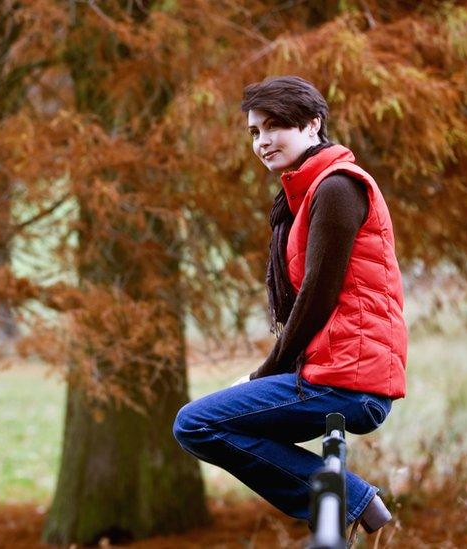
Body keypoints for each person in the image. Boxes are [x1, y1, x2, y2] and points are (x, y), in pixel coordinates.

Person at [172, 76, 408, 543]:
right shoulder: (304, 195)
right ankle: (351, 499)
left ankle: (354, 499)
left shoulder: (338, 188)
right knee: (207, 422)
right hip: (335, 373)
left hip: (350, 384)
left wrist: (267, 372)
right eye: (254, 132)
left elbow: (317, 297)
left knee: (195, 423)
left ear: (313, 123)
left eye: (273, 127)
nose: (262, 142)